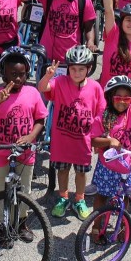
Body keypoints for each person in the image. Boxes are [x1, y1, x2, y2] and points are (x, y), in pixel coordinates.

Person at [0, 47, 47, 227]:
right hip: (1, 153)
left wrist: (31, 136)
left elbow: (40, 119)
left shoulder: (32, 93)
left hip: (25, 152)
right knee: (0, 190)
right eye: (13, 74)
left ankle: (21, 221)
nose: (17, 79)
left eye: (22, 74)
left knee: (25, 190)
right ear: (3, 74)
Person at [38, 46, 105, 220]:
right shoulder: (60, 82)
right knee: (63, 171)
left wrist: (98, 136)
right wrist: (48, 75)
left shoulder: (95, 87)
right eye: (73, 68)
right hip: (62, 141)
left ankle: (80, 199)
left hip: (83, 141)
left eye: (81, 69)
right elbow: (42, 88)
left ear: (89, 69)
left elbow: (101, 112)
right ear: (68, 68)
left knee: (81, 172)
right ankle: (63, 197)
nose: (76, 73)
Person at [90, 73, 131, 212]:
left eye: (127, 98)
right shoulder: (102, 117)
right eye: (118, 98)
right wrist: (109, 141)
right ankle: (95, 227)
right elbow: (93, 141)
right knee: (101, 196)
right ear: (110, 97)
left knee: (125, 196)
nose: (122, 102)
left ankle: (122, 226)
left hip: (129, 163)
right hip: (107, 165)